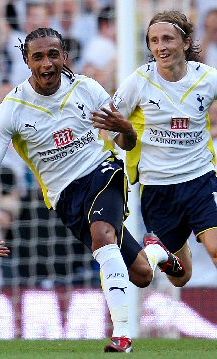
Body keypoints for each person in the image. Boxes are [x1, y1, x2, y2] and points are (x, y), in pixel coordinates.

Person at [0, 27, 184, 353]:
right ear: (27, 61)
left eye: (53, 55)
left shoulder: (87, 89)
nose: (47, 64)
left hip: (103, 172)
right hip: (66, 198)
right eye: (38, 57)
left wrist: (127, 130)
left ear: (65, 57)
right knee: (142, 274)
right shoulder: (13, 108)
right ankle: (157, 251)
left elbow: (126, 143)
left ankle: (123, 335)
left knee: (103, 236)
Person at [110, 10, 217, 290]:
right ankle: (159, 251)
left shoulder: (207, 78)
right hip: (158, 187)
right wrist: (127, 134)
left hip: (200, 179)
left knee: (216, 247)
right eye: (154, 41)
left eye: (167, 39)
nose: (161, 46)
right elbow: (114, 133)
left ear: (185, 42)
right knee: (181, 278)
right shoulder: (138, 81)